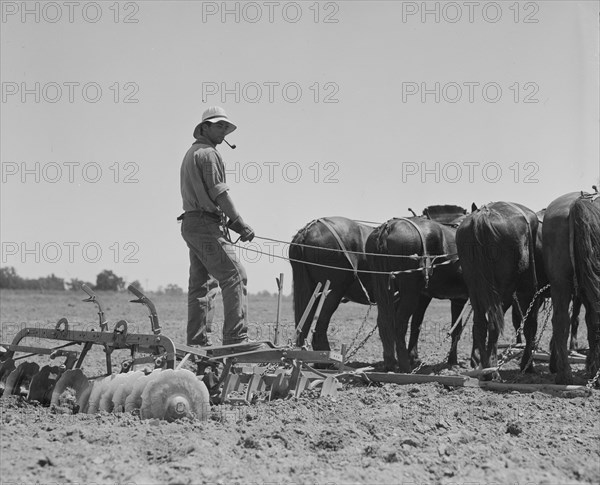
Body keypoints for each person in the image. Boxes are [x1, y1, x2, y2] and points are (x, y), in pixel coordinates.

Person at [179, 106, 256, 350]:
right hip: (205, 224)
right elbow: (219, 194)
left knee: (202, 286)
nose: (223, 130)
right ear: (205, 128)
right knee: (235, 274)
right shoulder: (209, 154)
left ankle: (197, 344)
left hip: (192, 224)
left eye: (226, 126)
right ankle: (236, 339)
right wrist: (240, 224)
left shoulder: (191, 153)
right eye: (218, 125)